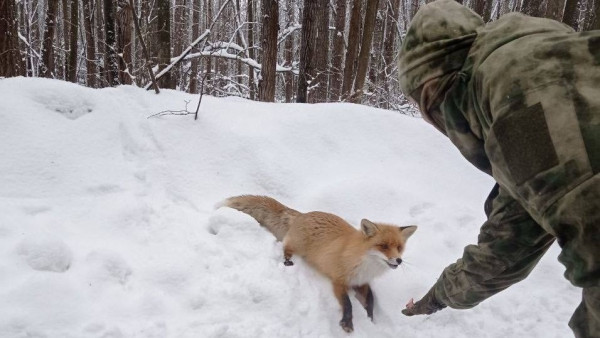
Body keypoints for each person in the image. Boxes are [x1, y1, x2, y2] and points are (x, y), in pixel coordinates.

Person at [397, 0, 600, 337]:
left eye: (429, 109)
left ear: (438, 87)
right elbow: (509, 242)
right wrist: (438, 297)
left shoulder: (525, 97)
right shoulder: (518, 91)